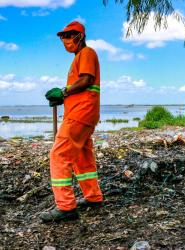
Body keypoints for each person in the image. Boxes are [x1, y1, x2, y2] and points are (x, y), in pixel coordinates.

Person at [41, 21, 103, 222]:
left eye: (69, 35)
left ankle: (66, 207)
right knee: (82, 156)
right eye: (64, 36)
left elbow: (86, 79)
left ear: (80, 36)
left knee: (59, 155)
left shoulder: (87, 53)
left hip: (80, 113)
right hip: (84, 113)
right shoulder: (78, 58)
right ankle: (93, 197)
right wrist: (63, 96)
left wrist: (64, 91)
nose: (66, 40)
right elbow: (80, 85)